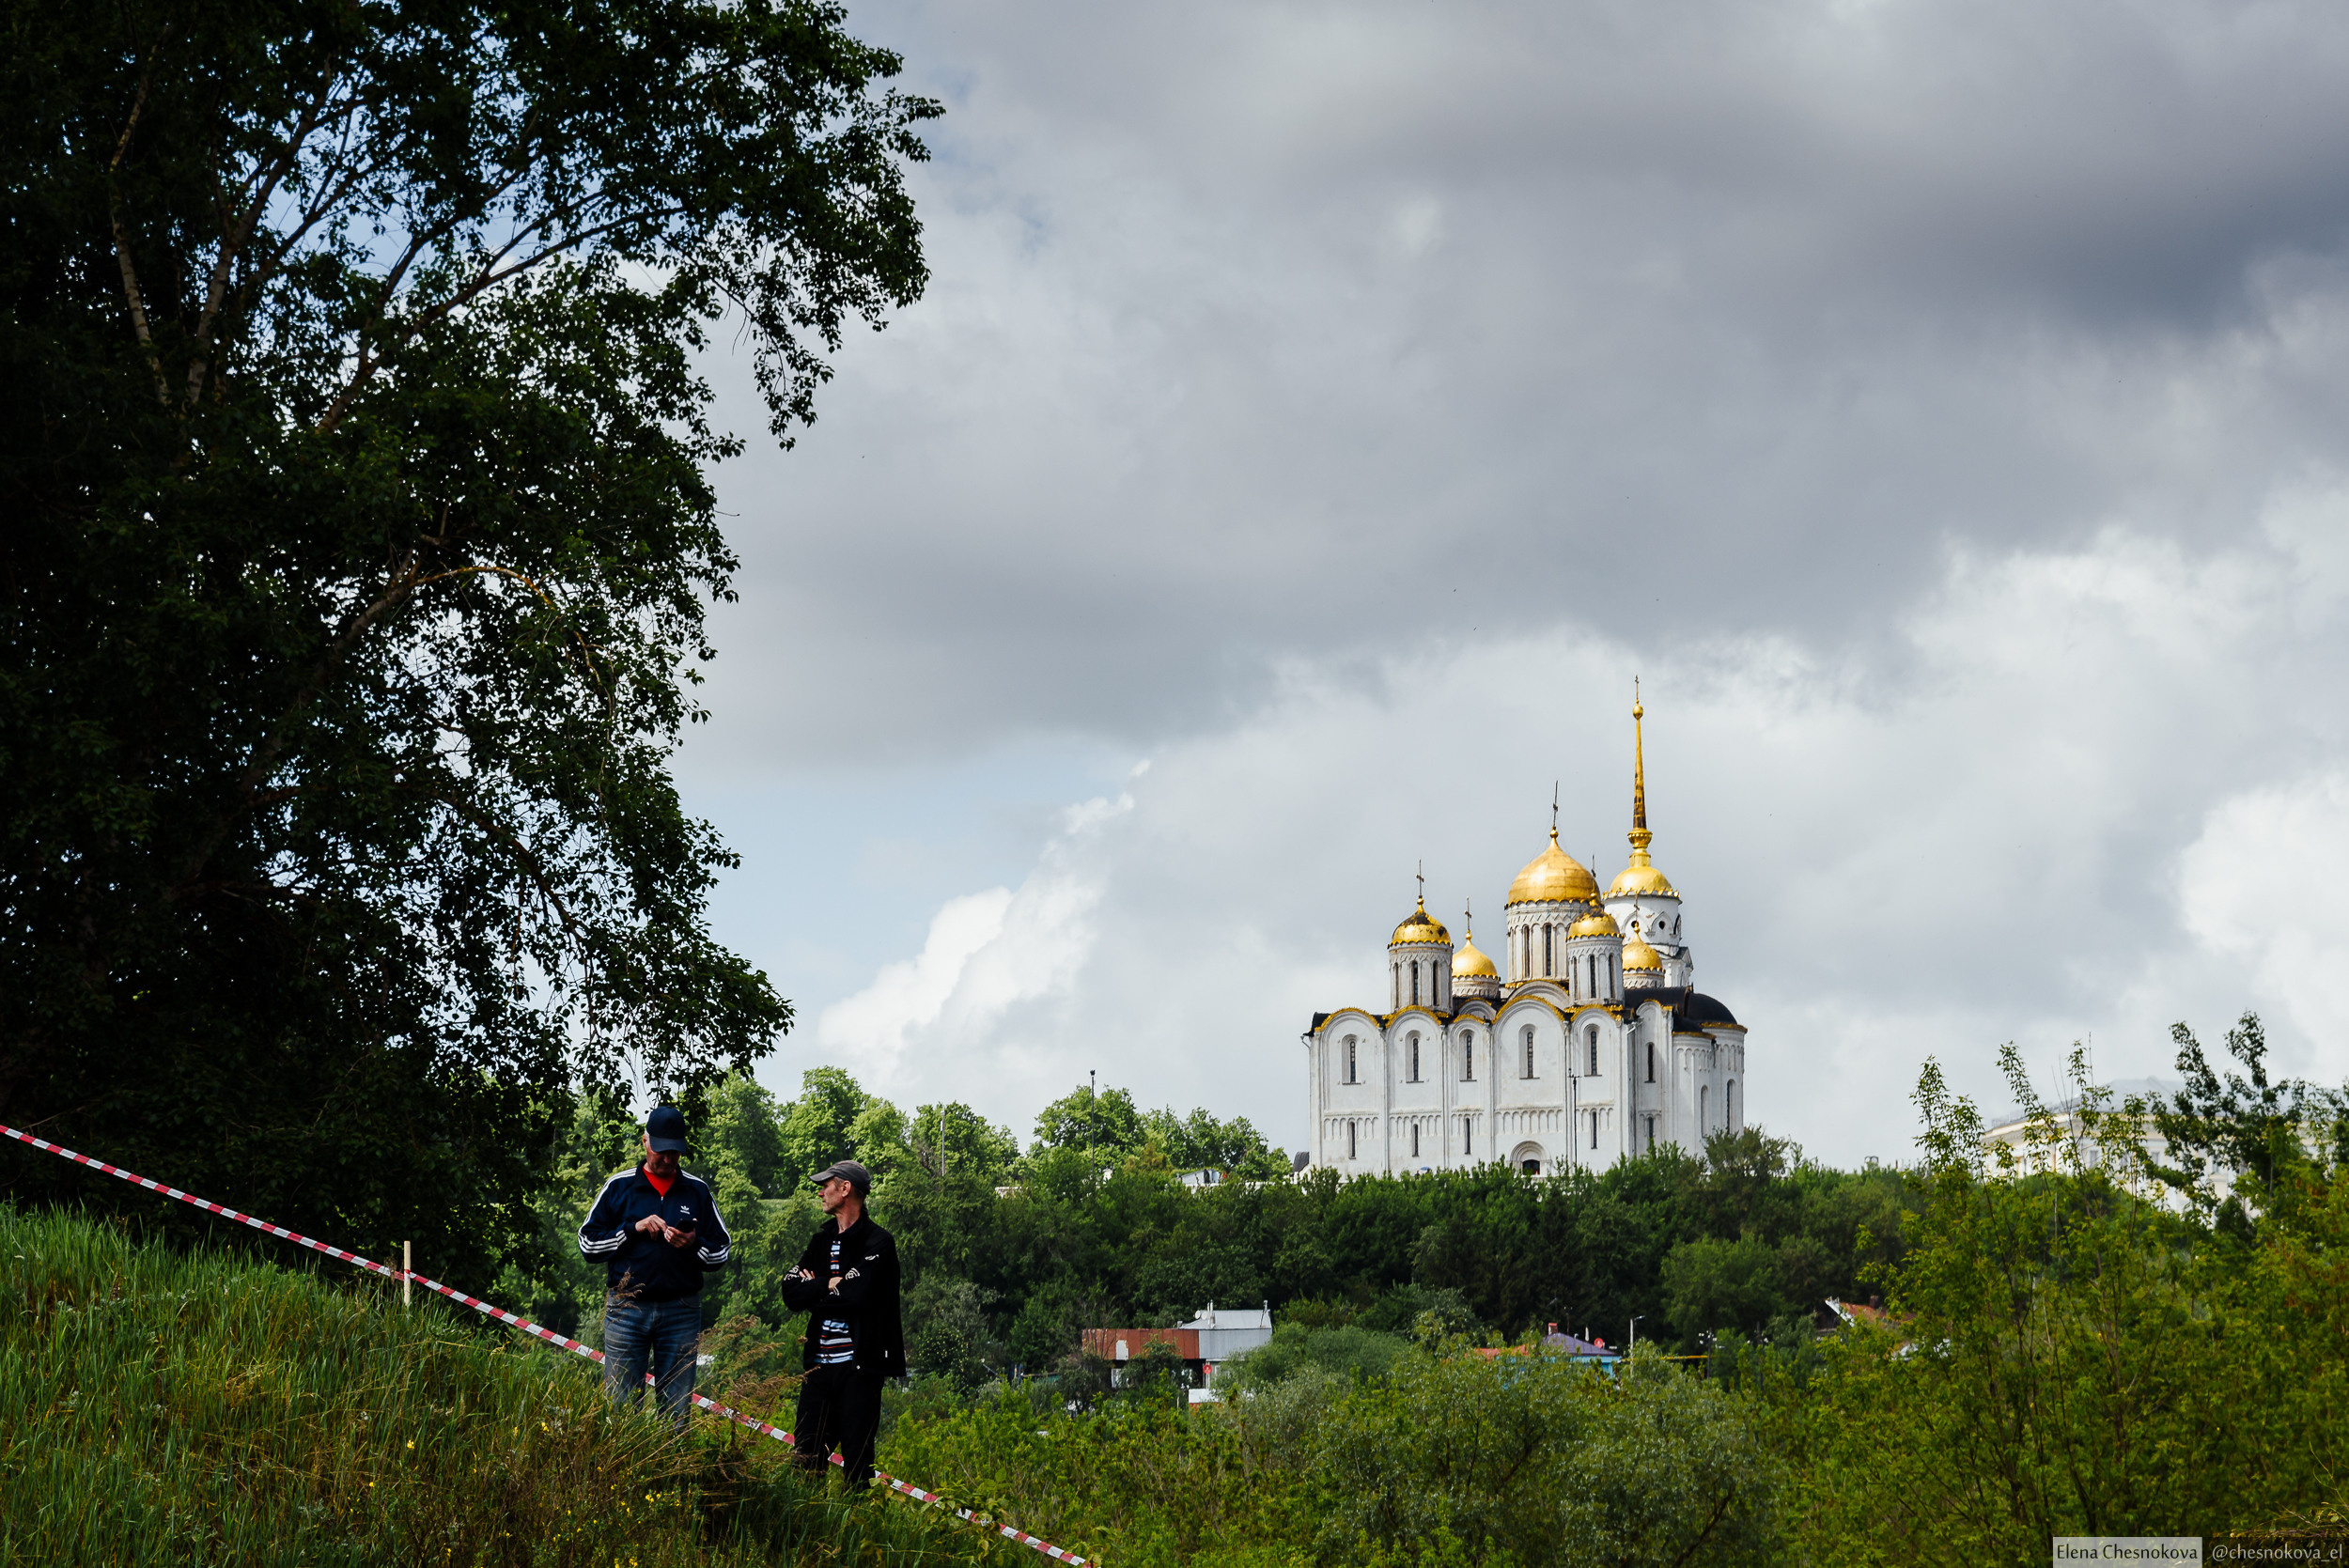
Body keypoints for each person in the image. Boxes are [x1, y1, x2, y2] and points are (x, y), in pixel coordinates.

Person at [576, 1104, 732, 1427]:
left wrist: (693, 1246)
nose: (667, 1159)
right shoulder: (619, 1187)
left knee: (676, 1411)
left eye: (674, 1153)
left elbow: (721, 1253)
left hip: (681, 1311)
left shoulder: (697, 1190)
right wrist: (631, 1230)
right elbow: (588, 1245)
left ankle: (669, 1472)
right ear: (645, 1141)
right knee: (619, 1407)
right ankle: (620, 1471)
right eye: (661, 1151)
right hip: (626, 1308)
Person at [780, 1158, 904, 1487]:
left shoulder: (879, 1242)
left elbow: (857, 1295)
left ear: (845, 1189)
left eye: (826, 1185)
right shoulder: (820, 1240)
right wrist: (829, 1283)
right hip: (818, 1368)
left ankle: (857, 1532)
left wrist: (817, 1285)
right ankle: (808, 1530)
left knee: (858, 1463)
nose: (820, 1192)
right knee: (805, 1459)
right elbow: (790, 1292)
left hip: (859, 1369)